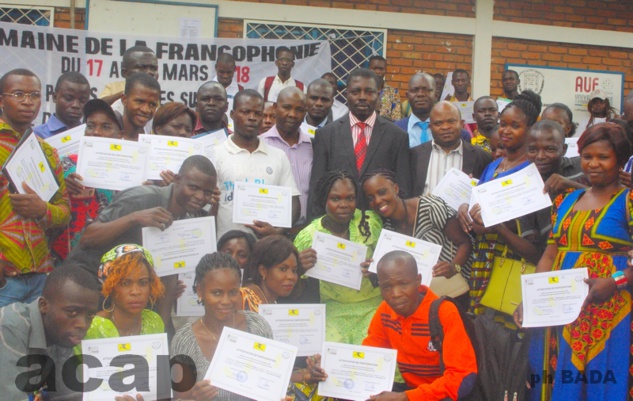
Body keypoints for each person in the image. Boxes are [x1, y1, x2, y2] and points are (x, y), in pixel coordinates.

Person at [514, 122, 633, 401]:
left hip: (609, 313)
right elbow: (550, 253)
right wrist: (530, 300)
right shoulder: (566, 200)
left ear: (619, 160)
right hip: (560, 313)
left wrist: (615, 282)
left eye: (604, 157)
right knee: (557, 379)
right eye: (587, 156)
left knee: (604, 381)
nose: (594, 164)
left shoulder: (628, 201)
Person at [457, 90, 543, 316]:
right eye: (503, 124)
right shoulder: (493, 167)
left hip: (513, 262)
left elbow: (535, 244)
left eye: (514, 126)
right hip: (483, 259)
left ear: (531, 129)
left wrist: (496, 226)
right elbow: (477, 203)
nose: (505, 130)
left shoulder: (532, 172)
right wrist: (465, 209)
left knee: (507, 337)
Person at [352, 251, 476, 400]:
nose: (395, 293)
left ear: (418, 281)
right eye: (387, 287)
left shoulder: (444, 312)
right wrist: (328, 369)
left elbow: (463, 378)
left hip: (441, 395)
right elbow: (370, 360)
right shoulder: (385, 311)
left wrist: (407, 397)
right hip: (411, 391)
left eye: (403, 284)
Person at [0, 69, 70, 306]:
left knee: (34, 343)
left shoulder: (47, 152)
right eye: (18, 94)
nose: (28, 102)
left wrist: (42, 209)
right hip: (4, 277)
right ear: (1, 99)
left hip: (40, 275)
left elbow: (64, 211)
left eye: (35, 95)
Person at [362, 169, 473, 309]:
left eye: (382, 192)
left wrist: (454, 267)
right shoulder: (385, 227)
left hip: (452, 293)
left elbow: (465, 242)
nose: (377, 200)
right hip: (418, 302)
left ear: (395, 189)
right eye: (370, 198)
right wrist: (373, 270)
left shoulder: (430, 207)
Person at [309, 68, 411, 218]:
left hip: (381, 226)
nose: (362, 97)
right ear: (346, 95)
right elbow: (317, 189)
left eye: (369, 92)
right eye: (356, 92)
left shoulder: (397, 136)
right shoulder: (326, 135)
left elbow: (403, 191)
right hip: (336, 227)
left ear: (378, 95)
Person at [171, 252, 273, 401]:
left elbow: (272, 381)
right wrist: (194, 398)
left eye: (232, 292)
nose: (225, 301)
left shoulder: (257, 326)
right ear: (200, 291)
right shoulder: (184, 341)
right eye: (217, 293)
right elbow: (178, 397)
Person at [295, 170, 382, 345]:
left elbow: (391, 267)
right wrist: (299, 269)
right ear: (323, 200)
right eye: (336, 199)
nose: (344, 204)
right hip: (332, 309)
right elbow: (295, 290)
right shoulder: (308, 237)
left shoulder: (369, 223)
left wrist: (376, 271)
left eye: (350, 198)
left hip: (373, 306)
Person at [0, 266, 100, 401]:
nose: (82, 324)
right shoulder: (10, 327)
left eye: (90, 315)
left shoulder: (62, 335)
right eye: (72, 312)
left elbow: (69, 397)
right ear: (43, 305)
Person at [211, 89, 301, 239]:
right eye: (245, 112)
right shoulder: (216, 154)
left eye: (258, 113)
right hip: (226, 248)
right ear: (232, 115)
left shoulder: (278, 156)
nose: (252, 118)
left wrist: (277, 232)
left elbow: (293, 203)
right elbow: (209, 205)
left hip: (265, 249)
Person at [50, 99, 122, 263]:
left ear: (120, 135)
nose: (96, 132)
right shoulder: (63, 164)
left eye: (106, 127)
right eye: (90, 125)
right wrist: (61, 187)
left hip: (111, 261)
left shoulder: (133, 172)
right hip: (64, 260)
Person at [80, 244, 165, 344]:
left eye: (143, 283)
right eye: (125, 283)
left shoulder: (154, 321)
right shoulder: (90, 328)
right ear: (110, 286)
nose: (135, 291)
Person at [410, 101, 492, 196]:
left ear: (461, 124)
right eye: (438, 123)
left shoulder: (482, 157)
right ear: (430, 127)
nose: (445, 127)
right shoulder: (414, 155)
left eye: (451, 121)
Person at [261, 87, 312, 224]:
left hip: (305, 230)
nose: (292, 114)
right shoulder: (260, 144)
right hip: (270, 229)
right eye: (287, 107)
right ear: (275, 108)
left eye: (299, 110)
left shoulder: (312, 147)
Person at [241, 235, 300, 311]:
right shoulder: (243, 298)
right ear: (263, 271)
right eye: (283, 269)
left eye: (294, 271)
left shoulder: (271, 303)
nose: (291, 276)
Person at [33, 72, 91, 139]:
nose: (76, 105)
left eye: (82, 100)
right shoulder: (37, 136)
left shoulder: (91, 135)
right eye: (69, 98)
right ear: (55, 97)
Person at [394, 73, 436, 148]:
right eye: (414, 90)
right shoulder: (394, 130)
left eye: (426, 90)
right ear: (407, 96)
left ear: (436, 95)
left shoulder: (450, 130)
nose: (420, 94)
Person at [119, 72, 160, 140]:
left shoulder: (154, 143)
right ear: (124, 100)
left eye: (153, 104)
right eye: (139, 101)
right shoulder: (107, 139)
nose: (146, 110)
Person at [369, 55, 402, 122]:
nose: (378, 72)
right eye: (374, 69)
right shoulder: (363, 91)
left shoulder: (393, 93)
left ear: (385, 71)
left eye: (381, 69)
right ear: (369, 69)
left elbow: (397, 119)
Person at [213, 52, 244, 125]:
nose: (225, 76)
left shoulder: (240, 90)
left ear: (235, 69)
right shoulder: (207, 89)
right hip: (211, 130)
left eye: (229, 72)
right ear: (216, 67)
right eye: (221, 72)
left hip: (232, 132)